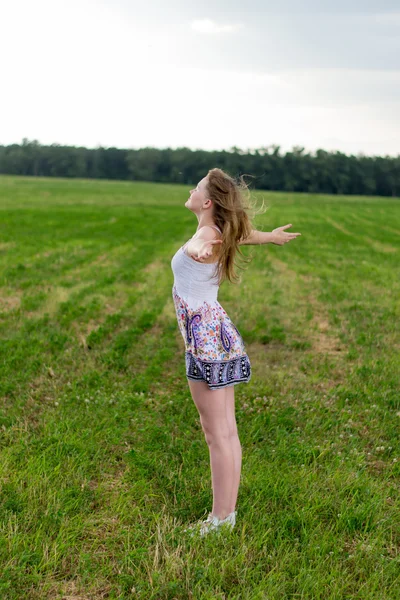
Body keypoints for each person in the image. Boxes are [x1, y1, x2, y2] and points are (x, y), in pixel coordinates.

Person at [170, 168, 301, 537]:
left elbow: (202, 247)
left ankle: (220, 520)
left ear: (207, 201)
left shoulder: (207, 235)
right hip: (218, 335)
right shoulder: (221, 232)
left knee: (217, 433)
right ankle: (226, 516)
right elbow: (243, 235)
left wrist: (196, 249)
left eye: (196, 188)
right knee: (226, 431)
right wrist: (271, 238)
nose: (191, 190)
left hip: (206, 341)